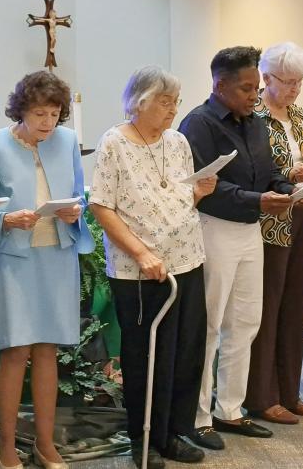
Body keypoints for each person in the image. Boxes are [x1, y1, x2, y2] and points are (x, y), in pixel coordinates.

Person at [90, 65, 216, 469]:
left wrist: (199, 193)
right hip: (139, 269)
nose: (173, 110)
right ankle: (143, 438)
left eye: (175, 102)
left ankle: (173, 432)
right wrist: (141, 253)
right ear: (140, 102)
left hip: (187, 259)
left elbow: (179, 199)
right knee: (147, 355)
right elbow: (102, 207)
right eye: (165, 102)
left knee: (186, 351)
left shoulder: (178, 142)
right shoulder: (114, 142)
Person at [0, 70, 92, 469]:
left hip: (56, 255)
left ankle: (45, 444)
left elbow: (78, 195)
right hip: (12, 258)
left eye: (55, 114)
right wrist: (6, 220)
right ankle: (6, 445)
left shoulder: (67, 141)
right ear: (22, 109)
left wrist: (76, 211)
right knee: (15, 350)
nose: (48, 122)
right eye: (40, 113)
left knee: (47, 350)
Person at [177, 45, 288, 447]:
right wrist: (258, 199)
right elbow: (206, 186)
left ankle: (230, 409)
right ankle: (198, 416)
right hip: (213, 228)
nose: (254, 96)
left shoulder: (255, 123)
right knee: (209, 326)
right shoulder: (198, 123)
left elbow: (269, 170)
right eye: (246, 88)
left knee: (245, 322)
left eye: (256, 88)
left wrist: (288, 188)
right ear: (219, 85)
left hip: (249, 230)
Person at [243, 42, 303, 426]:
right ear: (266, 77)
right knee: (268, 308)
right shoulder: (253, 117)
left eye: (299, 81)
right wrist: (291, 176)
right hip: (272, 220)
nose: (295, 89)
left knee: (296, 307)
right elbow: (252, 172)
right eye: (288, 81)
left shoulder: (300, 116)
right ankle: (262, 397)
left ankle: (290, 392)